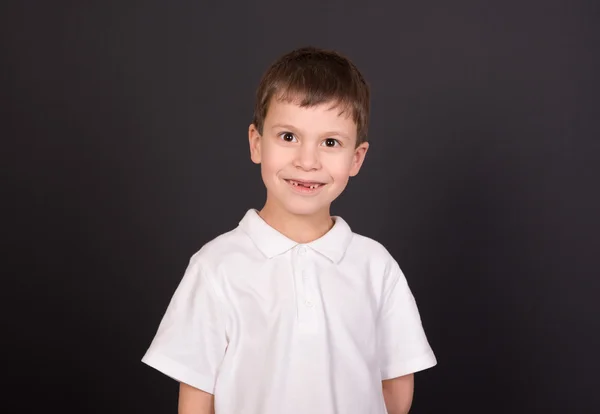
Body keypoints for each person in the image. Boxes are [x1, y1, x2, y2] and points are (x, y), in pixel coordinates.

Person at [142, 46, 437, 414]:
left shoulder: (375, 267)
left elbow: (395, 383)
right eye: (288, 137)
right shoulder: (217, 267)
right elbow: (197, 393)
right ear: (256, 143)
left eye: (330, 142)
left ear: (356, 158)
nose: (307, 161)